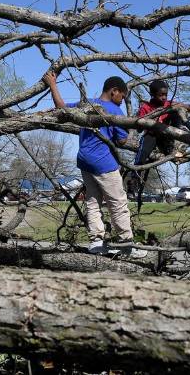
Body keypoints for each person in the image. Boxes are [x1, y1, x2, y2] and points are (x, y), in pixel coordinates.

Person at [43, 69, 146, 258]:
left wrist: (53, 85)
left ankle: (96, 242)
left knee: (93, 201)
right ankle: (126, 243)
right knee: (118, 202)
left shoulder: (86, 104)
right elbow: (122, 141)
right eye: (122, 96)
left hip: (84, 160)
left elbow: (61, 108)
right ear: (114, 91)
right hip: (102, 162)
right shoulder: (115, 111)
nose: (122, 100)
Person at [131, 80, 190, 195]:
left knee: (176, 111)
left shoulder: (169, 104)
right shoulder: (146, 107)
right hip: (152, 135)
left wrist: (186, 106)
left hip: (168, 134)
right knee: (142, 155)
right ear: (153, 94)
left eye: (165, 94)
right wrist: (146, 119)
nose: (164, 97)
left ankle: (174, 142)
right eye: (160, 95)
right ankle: (134, 181)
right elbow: (139, 128)